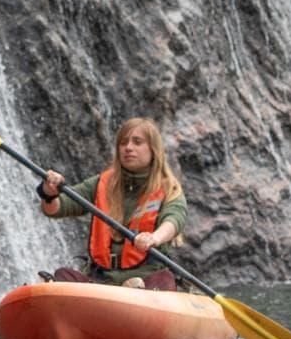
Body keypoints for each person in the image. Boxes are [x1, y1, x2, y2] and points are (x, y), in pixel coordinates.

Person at [35, 117, 189, 291]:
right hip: (101, 280)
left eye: (137, 142)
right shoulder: (102, 183)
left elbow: (174, 219)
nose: (128, 147)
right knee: (64, 274)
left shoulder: (168, 188)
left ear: (153, 150)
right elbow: (57, 208)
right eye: (123, 143)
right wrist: (48, 193)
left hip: (146, 278)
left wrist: (154, 238)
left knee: (164, 279)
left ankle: (135, 293)